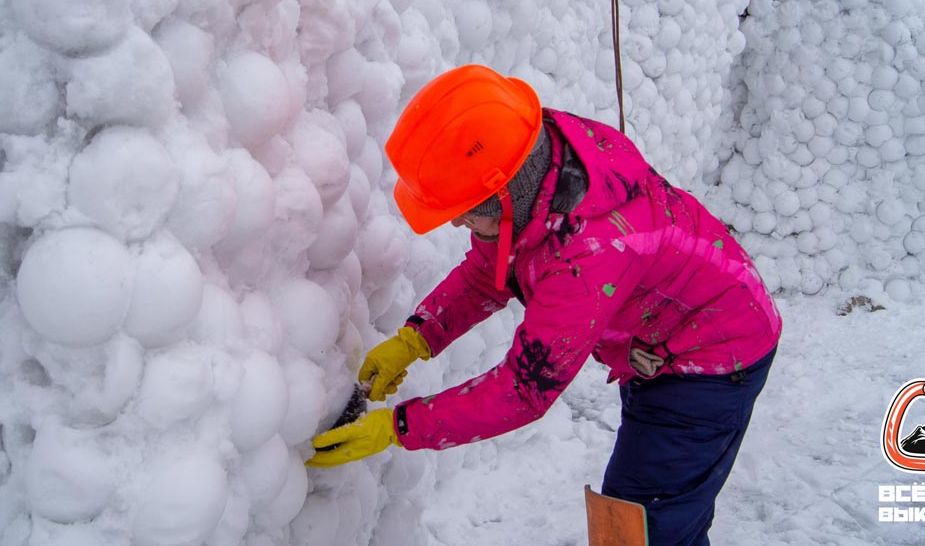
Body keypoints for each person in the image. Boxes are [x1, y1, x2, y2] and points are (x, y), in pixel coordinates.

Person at [306, 64, 782, 546]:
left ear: (502, 194)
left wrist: (399, 427)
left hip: (714, 355)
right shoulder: (536, 166)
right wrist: (416, 337)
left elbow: (524, 390)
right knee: (647, 513)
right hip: (659, 338)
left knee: (643, 523)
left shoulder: (589, 255)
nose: (455, 226)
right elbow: (491, 272)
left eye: (464, 212)